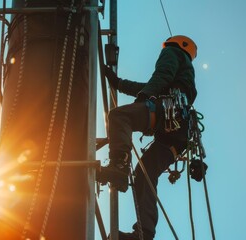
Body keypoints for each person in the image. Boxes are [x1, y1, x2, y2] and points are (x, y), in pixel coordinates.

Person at [97, 35, 198, 240]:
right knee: (145, 175)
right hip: (178, 136)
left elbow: (162, 75)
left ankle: (119, 164)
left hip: (169, 113)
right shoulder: (185, 72)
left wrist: (145, 97)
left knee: (120, 116)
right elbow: (152, 83)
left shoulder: (172, 52)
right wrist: (116, 82)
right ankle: (144, 234)